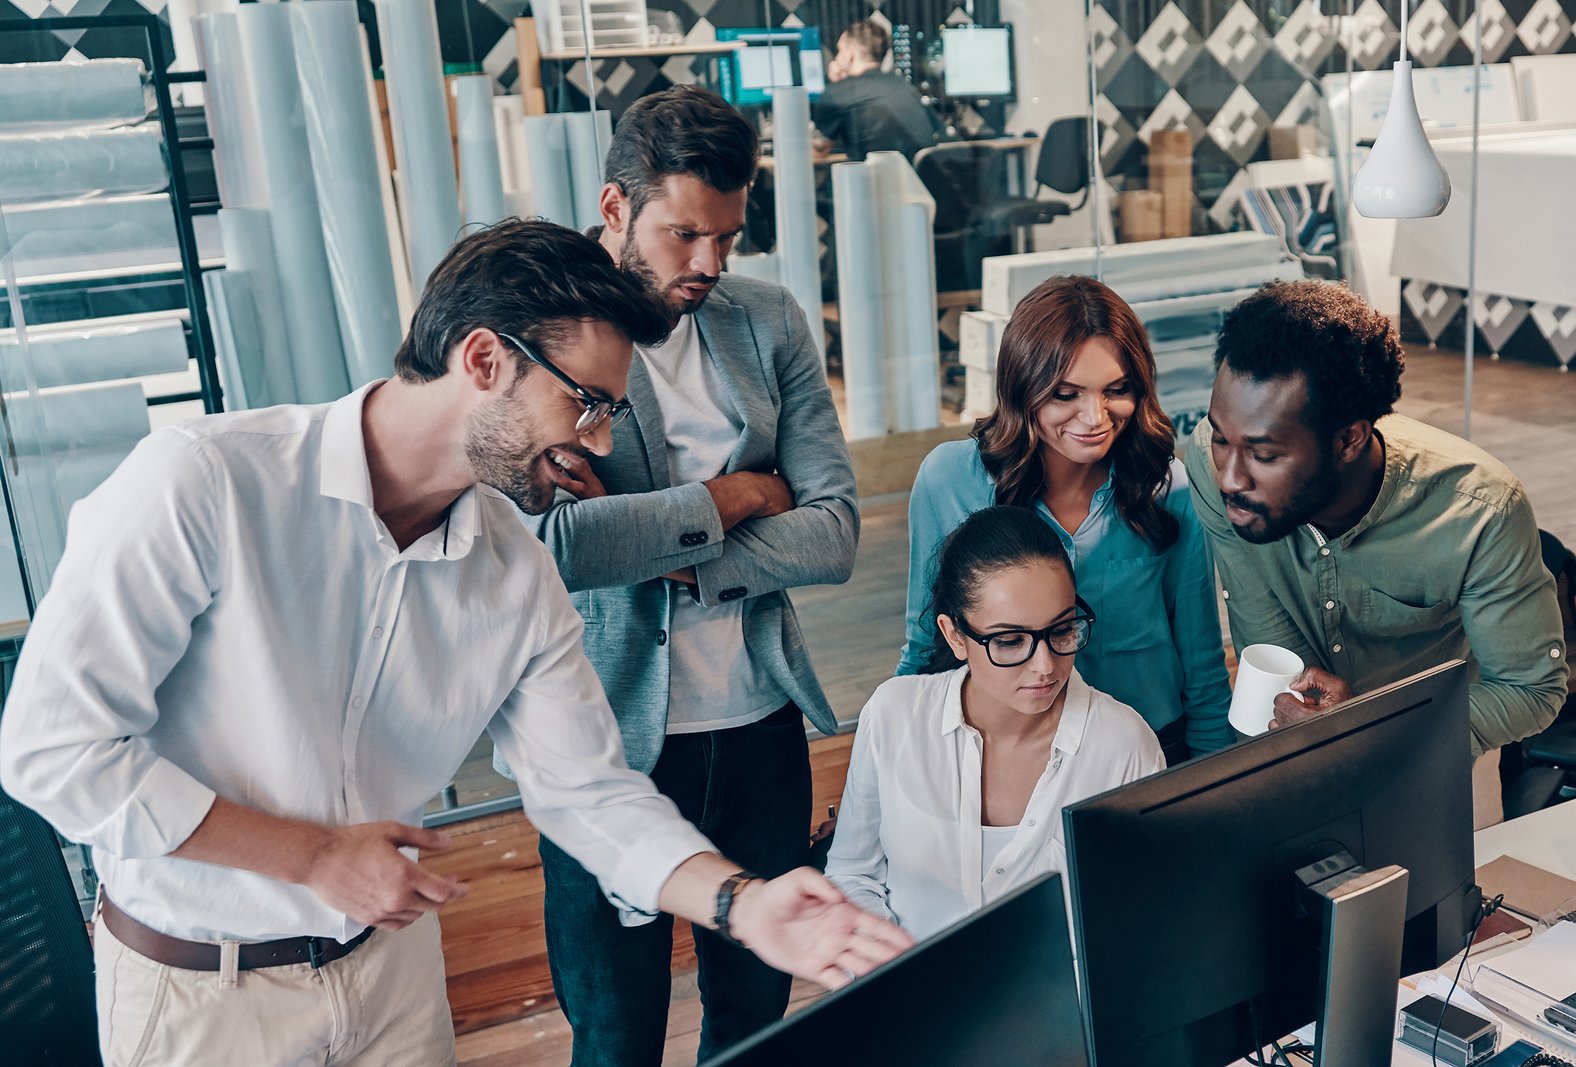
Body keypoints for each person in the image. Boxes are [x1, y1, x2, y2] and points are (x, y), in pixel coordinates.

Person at [0, 220, 910, 1067]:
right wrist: (314, 857)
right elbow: (51, 751)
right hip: (204, 992)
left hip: (393, 975)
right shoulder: (202, 484)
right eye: (585, 403)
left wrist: (741, 903)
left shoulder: (515, 571)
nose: (592, 445)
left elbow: (588, 791)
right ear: (483, 357)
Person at [507, 86, 860, 1065]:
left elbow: (832, 533)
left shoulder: (767, 320)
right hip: (608, 740)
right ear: (615, 208)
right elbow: (553, 547)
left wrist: (661, 549)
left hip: (760, 726)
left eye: (728, 237)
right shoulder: (548, 331)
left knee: (753, 1021)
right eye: (683, 234)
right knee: (615, 1035)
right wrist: (740, 494)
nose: (708, 263)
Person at [1185, 279, 1567, 826]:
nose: (1229, 476)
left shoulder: (1479, 509)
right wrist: (1318, 729)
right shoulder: (1211, 465)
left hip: (1433, 761)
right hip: (1295, 752)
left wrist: (1365, 730)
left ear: (1348, 440)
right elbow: (1267, 632)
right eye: (1222, 437)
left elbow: (1530, 688)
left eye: (1263, 453)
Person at [901, 275, 1234, 764]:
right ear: (1022, 388)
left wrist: (1215, 784)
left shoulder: (1170, 489)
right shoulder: (948, 479)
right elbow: (924, 641)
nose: (1095, 417)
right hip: (1001, 754)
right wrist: (893, 761)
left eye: (1116, 390)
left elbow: (1201, 662)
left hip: (1150, 747)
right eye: (1065, 394)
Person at [826, 506, 1163, 939]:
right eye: (1009, 641)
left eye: (1061, 631)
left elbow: (1139, 912)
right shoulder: (895, 715)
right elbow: (854, 874)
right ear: (955, 637)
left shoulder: (1123, 744)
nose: (1044, 666)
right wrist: (896, 980)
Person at [813, 19, 940, 162]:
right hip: (918, 179)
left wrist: (835, 85)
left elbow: (818, 151)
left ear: (850, 54)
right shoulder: (902, 84)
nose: (836, 57)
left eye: (840, 50)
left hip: (876, 180)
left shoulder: (839, 92)